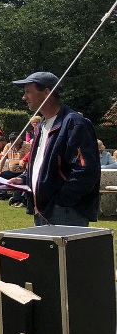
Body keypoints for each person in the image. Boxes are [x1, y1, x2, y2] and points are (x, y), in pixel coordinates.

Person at [8, 71, 100, 226]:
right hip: (43, 209)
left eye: (28, 92)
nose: (24, 97)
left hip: (65, 212)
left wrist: (60, 201)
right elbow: (41, 163)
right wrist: (23, 179)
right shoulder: (42, 125)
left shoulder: (74, 123)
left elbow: (87, 171)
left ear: (46, 92)